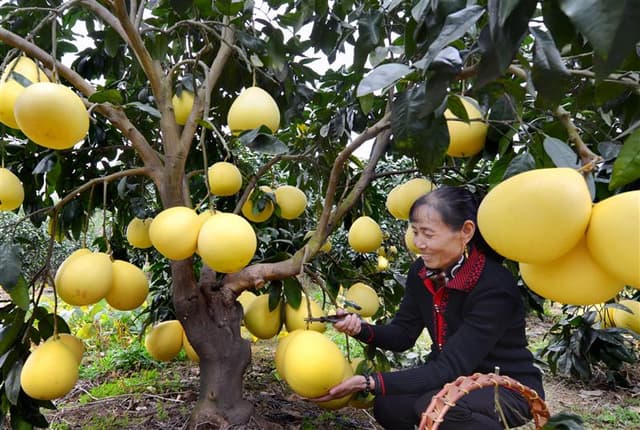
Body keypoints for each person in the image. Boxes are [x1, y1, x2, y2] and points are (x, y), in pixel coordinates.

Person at [311, 185, 544, 429]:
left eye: (428, 234)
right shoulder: (423, 273)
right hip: (452, 380)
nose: (419, 243)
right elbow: (403, 334)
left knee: (438, 408)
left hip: (505, 387)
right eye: (415, 232)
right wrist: (359, 328)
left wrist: (368, 382)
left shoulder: (494, 287)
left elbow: (449, 366)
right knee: (390, 404)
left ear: (466, 231)